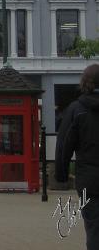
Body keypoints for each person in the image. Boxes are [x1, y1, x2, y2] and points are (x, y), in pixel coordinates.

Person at [56, 64, 99, 250]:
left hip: (88, 180)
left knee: (94, 227)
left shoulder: (76, 110)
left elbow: (64, 145)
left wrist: (62, 175)